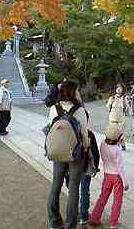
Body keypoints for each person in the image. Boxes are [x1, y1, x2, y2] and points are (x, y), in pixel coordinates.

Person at [47, 81, 90, 229]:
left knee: (56, 185)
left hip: (58, 152)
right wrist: (86, 147)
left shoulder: (54, 108)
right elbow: (84, 134)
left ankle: (54, 221)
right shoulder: (80, 110)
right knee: (73, 188)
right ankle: (70, 224)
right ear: (73, 92)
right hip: (75, 154)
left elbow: (50, 129)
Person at [89, 122, 129, 229]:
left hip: (107, 174)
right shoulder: (117, 150)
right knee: (117, 200)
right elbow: (120, 167)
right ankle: (113, 223)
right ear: (118, 138)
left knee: (103, 196)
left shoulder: (102, 143)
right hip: (117, 177)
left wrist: (118, 143)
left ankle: (94, 217)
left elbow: (110, 150)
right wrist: (125, 182)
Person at [107, 83, 128, 150]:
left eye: (120, 88)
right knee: (113, 133)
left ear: (122, 90)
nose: (118, 89)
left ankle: (122, 144)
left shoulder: (124, 98)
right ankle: (113, 146)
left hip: (121, 119)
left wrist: (124, 103)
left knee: (121, 132)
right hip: (112, 118)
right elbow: (108, 106)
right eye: (117, 88)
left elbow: (126, 107)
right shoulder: (112, 98)